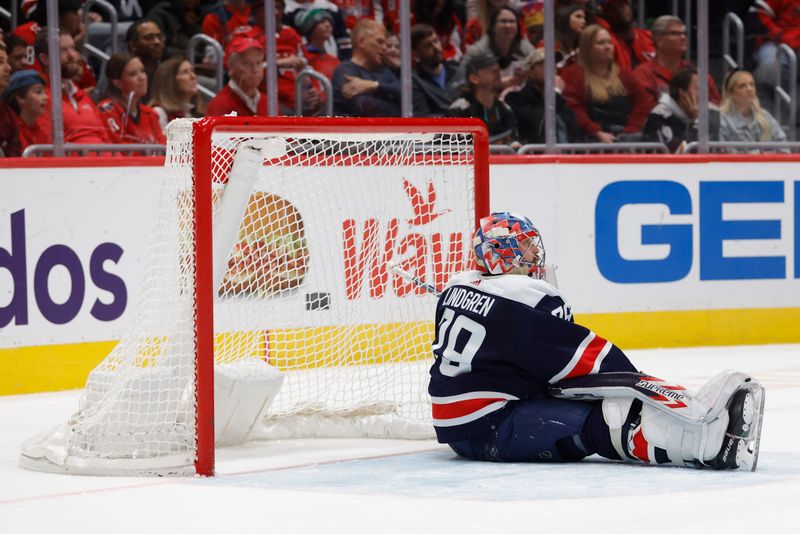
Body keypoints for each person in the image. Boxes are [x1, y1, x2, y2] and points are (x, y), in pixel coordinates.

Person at [429, 211, 764, 470]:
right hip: (491, 427)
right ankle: (705, 448)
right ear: (505, 254)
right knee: (611, 415)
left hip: (461, 426)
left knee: (588, 409)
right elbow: (588, 361)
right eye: (527, 249)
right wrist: (650, 390)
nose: (534, 257)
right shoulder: (527, 298)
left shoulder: (455, 288)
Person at [561, 24, 652, 143]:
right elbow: (573, 108)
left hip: (625, 138)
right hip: (588, 141)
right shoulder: (572, 74)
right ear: (587, 47)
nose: (608, 47)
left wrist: (631, 130)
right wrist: (595, 132)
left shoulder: (623, 74)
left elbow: (643, 103)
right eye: (601, 43)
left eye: (609, 42)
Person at [33, 30, 112, 146]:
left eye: (73, 48)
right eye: (63, 50)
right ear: (45, 59)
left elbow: (106, 139)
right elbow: (46, 145)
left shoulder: (82, 96)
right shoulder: (41, 98)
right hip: (73, 162)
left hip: (104, 160)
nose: (72, 55)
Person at [633, 15, 720, 107]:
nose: (683, 37)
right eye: (675, 33)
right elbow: (643, 111)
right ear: (658, 39)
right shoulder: (642, 74)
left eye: (684, 33)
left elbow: (716, 107)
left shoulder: (699, 75)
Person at [504, 47, 583, 144]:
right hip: (536, 156)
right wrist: (556, 92)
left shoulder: (562, 102)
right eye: (543, 64)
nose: (550, 69)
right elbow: (540, 125)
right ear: (531, 71)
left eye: (552, 64)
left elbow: (576, 133)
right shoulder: (517, 99)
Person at [642, 66, 720, 153]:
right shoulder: (659, 115)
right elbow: (681, 153)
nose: (705, 94)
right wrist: (698, 120)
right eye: (698, 88)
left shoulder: (712, 111)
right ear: (682, 93)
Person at [332, 19, 400, 116]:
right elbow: (368, 109)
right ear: (361, 42)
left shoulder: (384, 71)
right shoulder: (344, 71)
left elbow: (407, 94)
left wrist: (374, 85)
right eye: (380, 42)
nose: (385, 48)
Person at [98, 52, 166, 146]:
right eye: (133, 74)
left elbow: (165, 150)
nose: (142, 78)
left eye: (142, 71)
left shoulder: (150, 114)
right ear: (118, 83)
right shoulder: (107, 112)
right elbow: (119, 151)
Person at [447, 52, 516, 144]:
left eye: (497, 69)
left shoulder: (505, 110)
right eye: (490, 69)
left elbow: (513, 139)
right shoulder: (459, 111)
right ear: (474, 79)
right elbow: (448, 150)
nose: (497, 71)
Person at [461, 7, 533, 91]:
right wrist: (499, 84)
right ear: (493, 27)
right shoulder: (476, 51)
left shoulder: (526, 50)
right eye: (503, 21)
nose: (508, 25)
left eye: (512, 22)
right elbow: (461, 82)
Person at [719, 69, 787, 146]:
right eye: (742, 86)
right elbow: (720, 153)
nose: (749, 89)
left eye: (752, 84)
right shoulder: (721, 120)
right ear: (731, 93)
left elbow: (783, 148)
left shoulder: (766, 116)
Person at [411, 23, 464, 117]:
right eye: (428, 45)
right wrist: (449, 116)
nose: (436, 47)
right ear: (416, 53)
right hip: (440, 130)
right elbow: (422, 118)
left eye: (436, 41)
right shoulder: (415, 81)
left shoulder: (456, 70)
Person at [207, 36, 268, 116]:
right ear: (231, 66)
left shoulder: (268, 103)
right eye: (247, 63)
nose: (255, 69)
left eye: (258, 62)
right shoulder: (220, 106)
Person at [148, 55, 206, 131]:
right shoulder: (159, 113)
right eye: (185, 72)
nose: (193, 76)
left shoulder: (195, 113)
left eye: (192, 71)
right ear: (170, 81)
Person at [595, 0, 654, 71]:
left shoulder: (649, 36)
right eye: (613, 8)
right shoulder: (607, 40)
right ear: (607, 16)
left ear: (632, 10)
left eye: (622, 5)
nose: (619, 10)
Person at [2, 69, 51, 152]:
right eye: (38, 92)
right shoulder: (10, 131)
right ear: (20, 98)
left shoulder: (45, 128)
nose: (46, 97)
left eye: (44, 92)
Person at [295, 8, 340, 80]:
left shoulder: (334, 60)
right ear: (310, 28)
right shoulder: (302, 58)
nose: (328, 25)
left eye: (329, 22)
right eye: (322, 22)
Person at [126, 19, 167, 98]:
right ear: (133, 45)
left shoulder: (166, 71)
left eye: (160, 36)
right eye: (149, 38)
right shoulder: (123, 73)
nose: (157, 42)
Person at [0, 45, 21, 157]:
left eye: (7, 62)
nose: (8, 68)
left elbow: (14, 159)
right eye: (0, 62)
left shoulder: (9, 115)